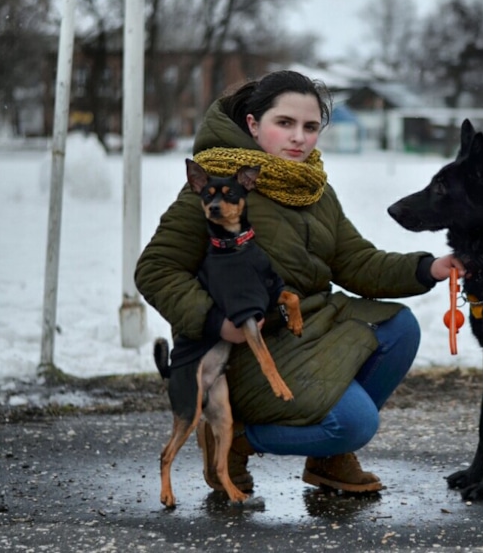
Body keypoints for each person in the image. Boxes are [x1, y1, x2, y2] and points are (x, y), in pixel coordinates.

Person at [135, 70, 463, 495]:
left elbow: (355, 261)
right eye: (285, 123)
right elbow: (156, 269)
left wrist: (429, 268)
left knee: (399, 328)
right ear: (253, 124)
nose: (299, 138)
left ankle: (328, 460)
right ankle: (233, 438)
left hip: (308, 328)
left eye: (310, 127)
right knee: (353, 423)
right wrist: (216, 321)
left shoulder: (312, 188)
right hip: (247, 351)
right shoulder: (218, 188)